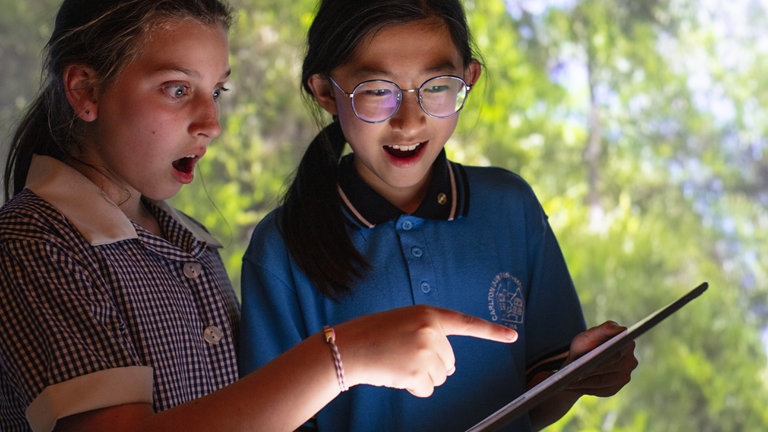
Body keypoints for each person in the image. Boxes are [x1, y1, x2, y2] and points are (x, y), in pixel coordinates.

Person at [0, 1, 521, 431]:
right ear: (85, 91)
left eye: (216, 92)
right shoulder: (32, 245)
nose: (211, 122)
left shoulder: (188, 247)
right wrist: (343, 358)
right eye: (178, 89)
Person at [238, 0, 639, 431]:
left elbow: (537, 395)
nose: (409, 122)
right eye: (376, 89)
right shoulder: (282, 247)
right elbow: (265, 417)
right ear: (324, 91)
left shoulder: (510, 207)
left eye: (436, 86)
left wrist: (577, 375)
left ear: (468, 79)